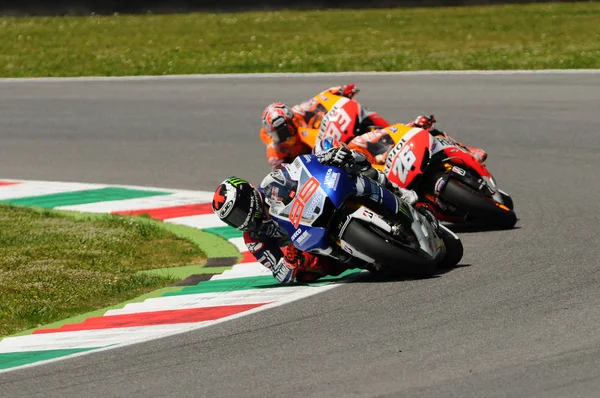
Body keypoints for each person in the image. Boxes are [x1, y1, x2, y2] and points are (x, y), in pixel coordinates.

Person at [212, 147, 421, 284]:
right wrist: (289, 262)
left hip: (317, 203)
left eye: (239, 211)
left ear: (249, 194)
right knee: (305, 274)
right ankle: (361, 260)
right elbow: (280, 274)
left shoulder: (271, 182)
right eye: (234, 219)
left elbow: (300, 165)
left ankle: (395, 190)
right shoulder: (254, 239)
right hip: (309, 241)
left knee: (351, 158)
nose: (242, 220)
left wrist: (327, 157)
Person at [260, 83, 390, 168]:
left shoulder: (298, 112)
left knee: (365, 113)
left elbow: (319, 99)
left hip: (327, 139)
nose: (286, 137)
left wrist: (339, 90)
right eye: (278, 134)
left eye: (287, 130)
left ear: (292, 121)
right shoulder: (275, 153)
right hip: (314, 167)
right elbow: (283, 172)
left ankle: (389, 130)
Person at [348, 115, 488, 166]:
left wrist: (414, 124)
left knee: (426, 130)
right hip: (397, 185)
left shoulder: (358, 143)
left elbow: (395, 130)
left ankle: (465, 150)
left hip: (405, 155)